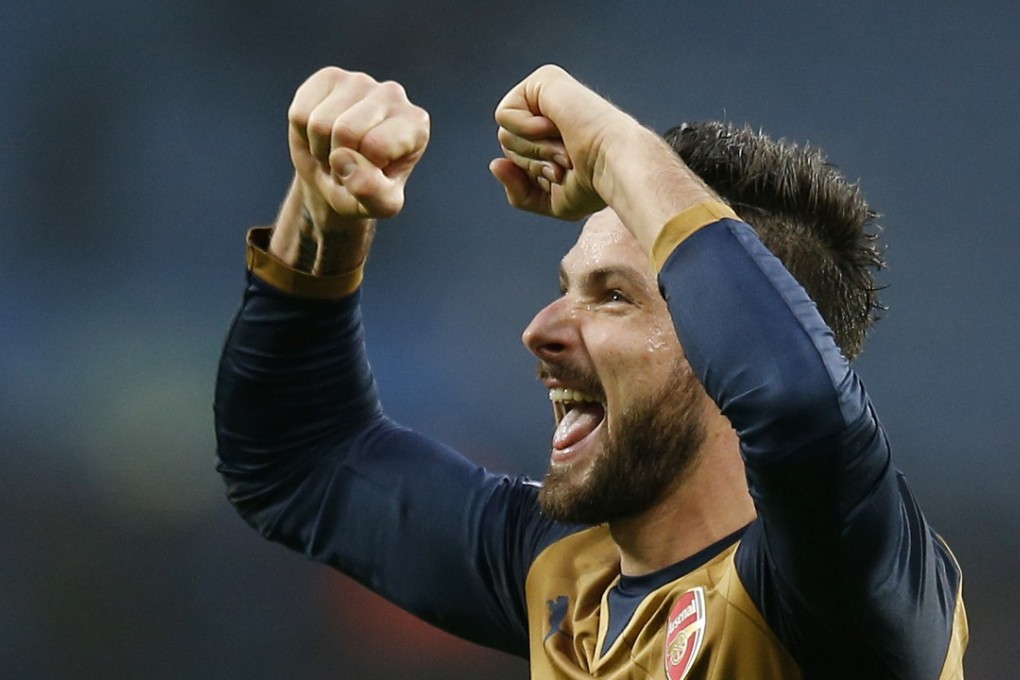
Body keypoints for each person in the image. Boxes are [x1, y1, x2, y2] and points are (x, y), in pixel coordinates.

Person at [214, 65, 968, 679]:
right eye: (566, 287)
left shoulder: (852, 589)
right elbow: (297, 457)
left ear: (727, 335)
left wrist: (616, 148)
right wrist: (325, 208)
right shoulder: (567, 575)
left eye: (614, 297)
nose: (540, 330)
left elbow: (796, 406)